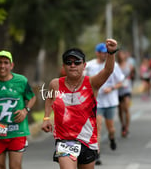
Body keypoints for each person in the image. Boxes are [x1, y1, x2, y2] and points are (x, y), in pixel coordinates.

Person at [41, 39, 118, 169]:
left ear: (84, 65)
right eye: (68, 62)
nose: (72, 65)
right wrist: (46, 118)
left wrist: (111, 53)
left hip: (87, 141)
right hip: (65, 141)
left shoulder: (92, 83)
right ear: (63, 66)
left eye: (77, 62)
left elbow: (108, 71)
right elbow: (49, 98)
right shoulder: (55, 84)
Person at [0, 50, 36, 169]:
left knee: (15, 166)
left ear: (11, 65)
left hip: (17, 129)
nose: (2, 66)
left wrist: (25, 110)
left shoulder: (21, 81)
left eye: (6, 62)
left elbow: (32, 97)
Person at [84, 43, 124, 165]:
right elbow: (83, 81)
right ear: (97, 53)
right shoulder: (90, 65)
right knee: (97, 127)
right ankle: (97, 153)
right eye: (102, 52)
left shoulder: (113, 65)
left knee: (111, 128)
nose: (104, 54)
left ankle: (112, 138)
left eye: (106, 52)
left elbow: (120, 82)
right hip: (97, 102)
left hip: (110, 101)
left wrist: (111, 88)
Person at [116, 50, 135, 137]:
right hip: (118, 90)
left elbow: (133, 75)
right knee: (120, 109)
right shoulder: (115, 66)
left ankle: (127, 127)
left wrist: (130, 83)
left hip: (127, 89)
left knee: (126, 108)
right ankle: (123, 125)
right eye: (119, 55)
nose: (120, 56)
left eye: (122, 55)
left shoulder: (129, 66)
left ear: (124, 56)